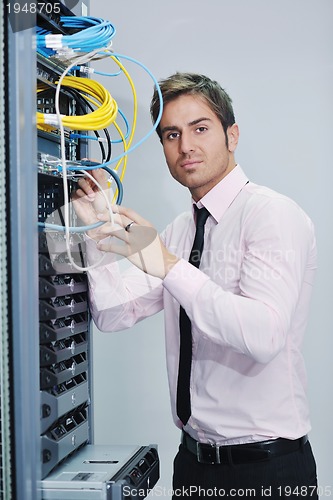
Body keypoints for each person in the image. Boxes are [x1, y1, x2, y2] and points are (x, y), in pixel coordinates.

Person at [72, 72, 318, 498]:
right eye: (171, 134)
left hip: (267, 472)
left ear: (232, 135)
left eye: (200, 128)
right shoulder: (180, 231)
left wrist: (167, 265)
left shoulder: (271, 216)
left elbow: (263, 335)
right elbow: (113, 314)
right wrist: (95, 230)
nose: (185, 146)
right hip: (193, 466)